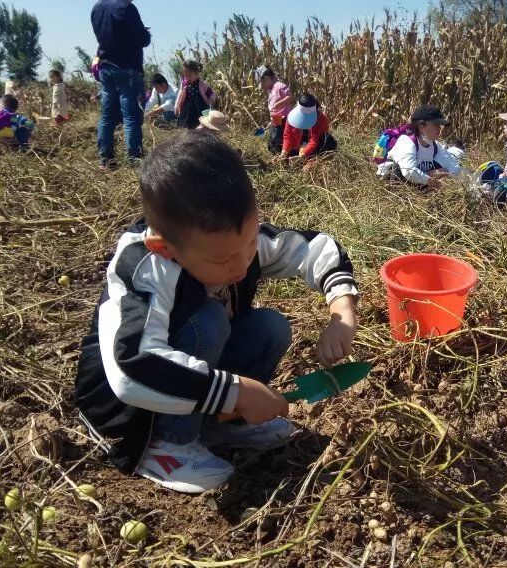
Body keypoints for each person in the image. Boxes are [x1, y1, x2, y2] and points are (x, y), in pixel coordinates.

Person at [74, 131, 359, 494]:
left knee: (270, 327)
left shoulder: (237, 244)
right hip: (127, 413)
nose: (241, 265)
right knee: (205, 322)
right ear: (164, 248)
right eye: (222, 260)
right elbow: (132, 366)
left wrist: (342, 312)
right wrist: (235, 392)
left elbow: (317, 249)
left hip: (192, 380)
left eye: (249, 244)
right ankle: (167, 444)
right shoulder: (144, 267)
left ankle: (219, 426)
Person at [91, 0, 151, 168]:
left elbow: (104, 36)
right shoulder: (126, 8)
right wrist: (146, 34)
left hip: (106, 68)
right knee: (131, 116)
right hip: (127, 68)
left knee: (107, 115)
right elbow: (143, 39)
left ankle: (106, 159)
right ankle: (134, 160)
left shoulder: (97, 8)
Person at [375, 105, 462, 187]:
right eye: (435, 124)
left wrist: (444, 171)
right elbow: (408, 172)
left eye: (440, 125)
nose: (439, 128)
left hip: (414, 187)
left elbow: (456, 169)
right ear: (421, 127)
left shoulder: (436, 146)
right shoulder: (406, 142)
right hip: (393, 187)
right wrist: (433, 181)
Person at [280, 94, 337, 163]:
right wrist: (284, 152)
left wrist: (302, 156)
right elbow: (288, 136)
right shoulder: (292, 116)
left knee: (327, 139)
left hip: (315, 148)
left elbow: (314, 141)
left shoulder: (321, 119)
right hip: (297, 146)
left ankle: (315, 161)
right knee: (276, 141)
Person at [254, 65, 292, 154]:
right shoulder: (270, 89)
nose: (262, 87)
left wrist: (278, 103)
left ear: (267, 79)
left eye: (261, 83)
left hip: (284, 119)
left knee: (278, 140)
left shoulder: (280, 86)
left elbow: (290, 97)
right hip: (276, 120)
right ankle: (275, 156)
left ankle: (281, 157)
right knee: (271, 141)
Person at [175, 60, 215, 129]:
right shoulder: (185, 84)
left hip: (200, 107)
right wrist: (177, 106)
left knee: (201, 122)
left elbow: (211, 94)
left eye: (190, 75)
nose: (187, 78)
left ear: (197, 73)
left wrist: (211, 105)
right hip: (188, 109)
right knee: (187, 123)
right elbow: (180, 95)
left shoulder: (201, 84)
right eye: (186, 76)